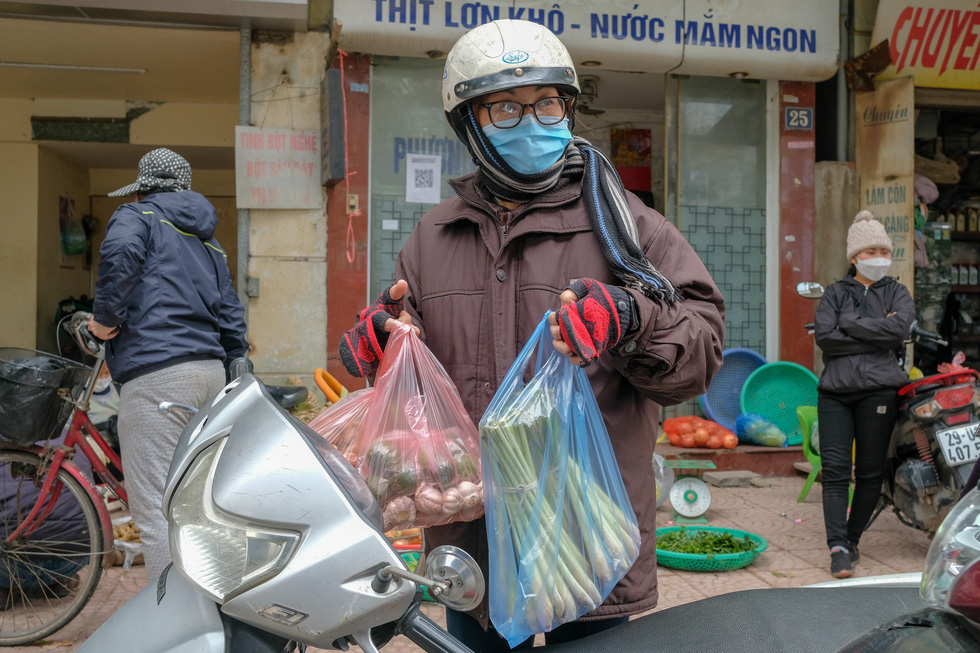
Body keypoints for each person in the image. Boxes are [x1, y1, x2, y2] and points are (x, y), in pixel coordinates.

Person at [339, 19, 725, 651]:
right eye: (507, 109)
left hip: (587, 535)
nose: (535, 121)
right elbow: (409, 358)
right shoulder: (434, 238)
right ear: (470, 124)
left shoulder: (630, 227)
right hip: (476, 541)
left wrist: (630, 320)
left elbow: (699, 354)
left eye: (548, 103)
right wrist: (380, 347)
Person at [89, 148, 248, 582]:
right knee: (199, 507)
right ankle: (214, 610)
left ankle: (175, 628)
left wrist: (103, 322)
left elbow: (120, 255)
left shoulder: (136, 217)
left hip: (158, 378)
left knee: (160, 510)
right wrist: (236, 357)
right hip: (210, 376)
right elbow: (230, 312)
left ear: (143, 188)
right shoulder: (207, 240)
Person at [813, 210, 914, 579]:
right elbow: (826, 338)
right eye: (870, 250)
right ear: (855, 257)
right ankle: (837, 547)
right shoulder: (835, 293)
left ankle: (852, 539)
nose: (878, 257)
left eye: (882, 249)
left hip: (879, 393)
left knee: (871, 472)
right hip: (835, 394)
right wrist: (876, 329)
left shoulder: (898, 292)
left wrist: (850, 325)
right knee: (837, 472)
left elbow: (897, 332)